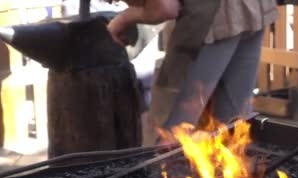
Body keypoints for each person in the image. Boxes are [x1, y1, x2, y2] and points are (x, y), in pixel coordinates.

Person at [107, 0, 277, 145]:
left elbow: (165, 8)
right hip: (255, 8)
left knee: (169, 133)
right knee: (231, 129)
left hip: (209, 19)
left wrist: (122, 20)